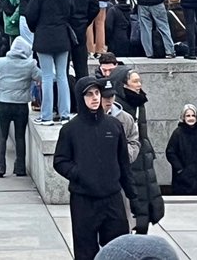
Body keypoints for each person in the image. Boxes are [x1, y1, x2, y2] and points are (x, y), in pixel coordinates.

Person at [54, 75, 136, 260]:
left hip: (112, 197)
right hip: (84, 200)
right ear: (81, 98)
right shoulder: (70, 129)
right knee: (85, 252)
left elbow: (123, 162)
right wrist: (79, 173)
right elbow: (60, 161)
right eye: (89, 94)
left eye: (97, 93)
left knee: (118, 250)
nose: (95, 98)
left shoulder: (114, 126)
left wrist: (133, 195)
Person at [24, 0, 73, 125]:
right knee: (62, 76)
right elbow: (71, 11)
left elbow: (30, 15)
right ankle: (65, 114)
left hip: (44, 35)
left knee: (46, 76)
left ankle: (47, 116)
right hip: (62, 35)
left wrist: (36, 28)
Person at [0, 37, 40, 177]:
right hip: (21, 105)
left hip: (3, 103)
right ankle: (20, 168)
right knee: (20, 137)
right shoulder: (30, 64)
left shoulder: (0, 62)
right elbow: (41, 77)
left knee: (1, 136)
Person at [118, 69, 165, 234]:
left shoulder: (139, 102)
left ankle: (143, 226)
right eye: (135, 81)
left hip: (143, 155)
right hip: (131, 158)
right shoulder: (120, 106)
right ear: (124, 83)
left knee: (145, 193)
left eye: (140, 81)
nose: (139, 85)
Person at [165, 104, 197, 195]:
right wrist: (180, 169)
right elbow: (170, 152)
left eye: (193, 115)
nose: (191, 118)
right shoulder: (177, 133)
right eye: (188, 115)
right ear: (183, 117)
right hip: (182, 179)